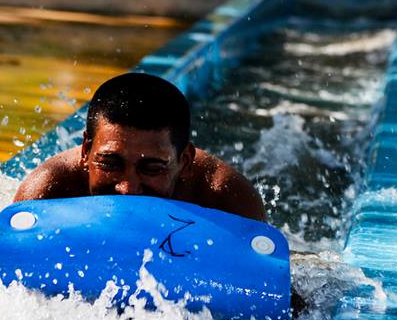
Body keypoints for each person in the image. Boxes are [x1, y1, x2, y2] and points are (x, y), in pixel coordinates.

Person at [14, 72, 267, 222]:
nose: (128, 189)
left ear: (185, 161)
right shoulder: (48, 193)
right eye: (110, 164)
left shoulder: (225, 200)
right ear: (85, 152)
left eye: (152, 168)